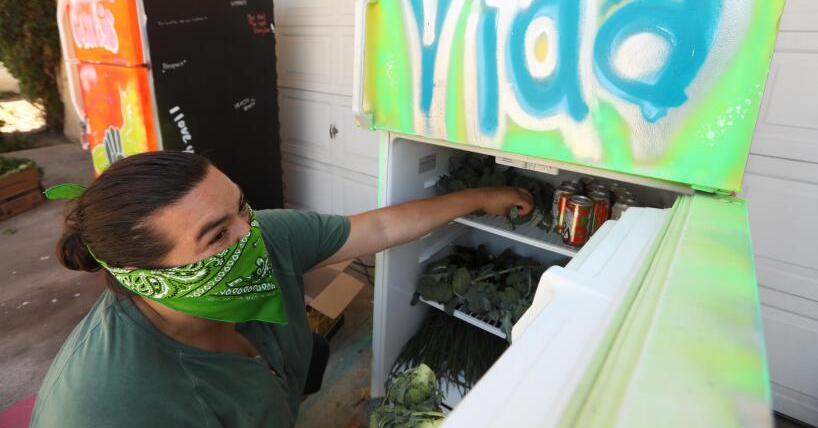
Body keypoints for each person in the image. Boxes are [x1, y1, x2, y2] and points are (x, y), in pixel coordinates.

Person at [30, 151, 532, 427]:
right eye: (217, 235)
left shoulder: (261, 236)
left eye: (241, 207)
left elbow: (376, 230)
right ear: (146, 276)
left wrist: (479, 196)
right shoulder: (107, 406)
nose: (252, 235)